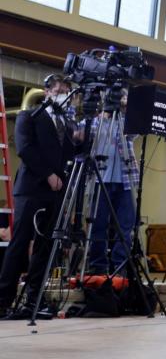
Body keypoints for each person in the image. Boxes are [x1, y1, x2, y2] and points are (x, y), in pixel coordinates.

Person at [0, 74, 77, 319]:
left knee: (44, 247)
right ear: (47, 92)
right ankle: (3, 300)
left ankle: (33, 301)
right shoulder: (29, 116)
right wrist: (48, 175)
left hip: (56, 192)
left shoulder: (67, 123)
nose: (63, 94)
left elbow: (71, 153)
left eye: (67, 91)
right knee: (20, 244)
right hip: (32, 187)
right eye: (59, 90)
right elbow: (25, 148)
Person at [86, 92, 139, 275]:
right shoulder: (96, 121)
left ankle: (120, 267)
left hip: (124, 181)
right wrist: (103, 114)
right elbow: (85, 136)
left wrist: (126, 109)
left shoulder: (125, 122)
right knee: (98, 225)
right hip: (101, 180)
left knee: (125, 226)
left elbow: (133, 133)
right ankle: (97, 266)